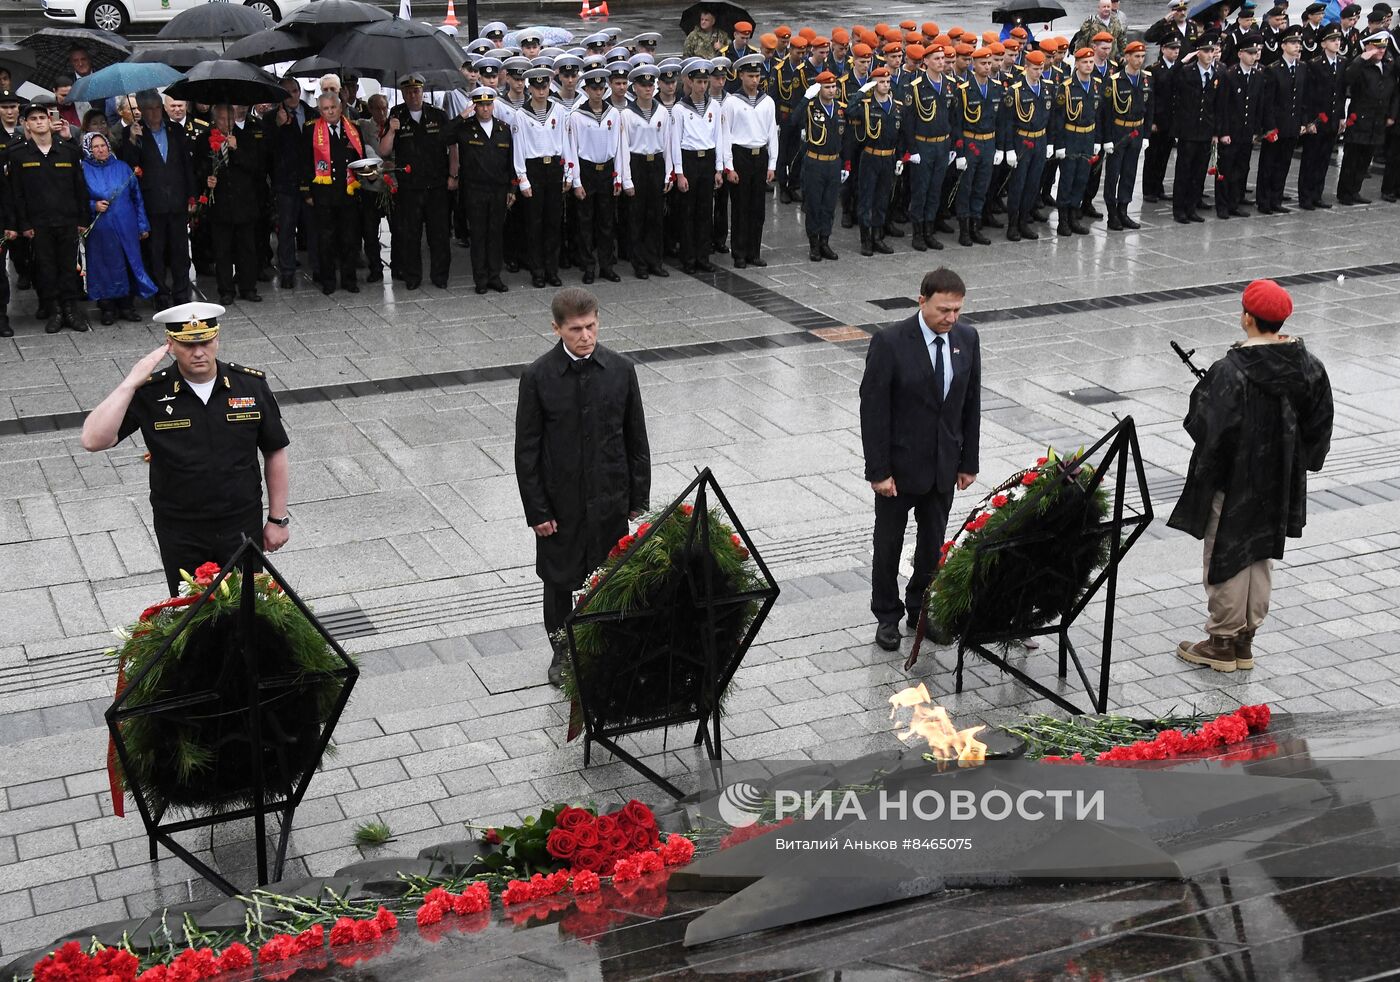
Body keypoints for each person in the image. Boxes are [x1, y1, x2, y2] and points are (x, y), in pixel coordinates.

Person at [1168, 280, 1332, 673]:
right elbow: (1319, 423)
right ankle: (1246, 640)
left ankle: (1222, 642)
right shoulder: (1308, 366)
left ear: (1246, 318)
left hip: (1237, 479)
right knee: (1261, 553)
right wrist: (1297, 461)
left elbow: (1207, 427)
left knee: (1226, 551)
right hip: (1281, 479)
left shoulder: (1230, 370)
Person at [79, 304, 292, 598]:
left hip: (240, 523)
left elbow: (275, 451)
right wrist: (130, 383)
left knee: (246, 611)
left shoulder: (249, 386)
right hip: (181, 529)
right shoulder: (151, 392)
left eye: (205, 341)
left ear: (217, 339)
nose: (199, 352)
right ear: (171, 344)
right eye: (187, 345)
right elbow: (93, 439)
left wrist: (277, 519)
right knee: (190, 613)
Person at [514, 288, 651, 687]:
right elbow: (527, 450)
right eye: (575, 330)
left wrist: (637, 496)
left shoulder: (621, 370)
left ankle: (606, 642)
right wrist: (537, 511)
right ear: (556, 328)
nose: (586, 336)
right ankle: (561, 649)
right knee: (559, 581)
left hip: (609, 498)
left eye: (591, 326)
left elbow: (635, 438)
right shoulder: (538, 377)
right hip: (561, 505)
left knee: (609, 575)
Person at [859, 267, 980, 652]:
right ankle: (887, 616)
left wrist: (968, 461)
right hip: (899, 468)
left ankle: (921, 609)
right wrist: (878, 471)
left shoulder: (967, 338)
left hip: (943, 466)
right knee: (888, 543)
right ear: (922, 301)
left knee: (933, 544)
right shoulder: (890, 342)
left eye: (958, 310)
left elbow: (970, 403)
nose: (952, 318)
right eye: (945, 310)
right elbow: (873, 409)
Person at [8, 99, 90, 334]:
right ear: (26, 125)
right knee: (46, 269)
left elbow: (79, 188)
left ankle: (71, 310)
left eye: (42, 117)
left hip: (67, 220)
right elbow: (17, 193)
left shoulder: (67, 150)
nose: (39, 122)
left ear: (49, 120)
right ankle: (54, 310)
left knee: (68, 267)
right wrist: (23, 223)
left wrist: (82, 219)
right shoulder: (19, 154)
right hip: (39, 223)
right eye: (33, 119)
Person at [377, 73, 452, 290]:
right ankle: (413, 276)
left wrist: (453, 175)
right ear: (402, 94)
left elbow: (452, 146)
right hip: (410, 186)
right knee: (410, 234)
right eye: (408, 92)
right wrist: (391, 129)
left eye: (416, 90)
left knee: (439, 234)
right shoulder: (396, 115)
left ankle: (440, 276)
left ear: (422, 91)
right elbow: (384, 150)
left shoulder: (438, 115)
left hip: (436, 184)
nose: (413, 95)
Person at [121, 90, 195, 307]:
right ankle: (160, 293)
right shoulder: (133, 133)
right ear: (141, 111)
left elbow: (186, 166)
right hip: (151, 203)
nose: (154, 113)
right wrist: (133, 140)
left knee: (180, 249)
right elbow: (129, 167)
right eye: (148, 109)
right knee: (156, 251)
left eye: (157, 108)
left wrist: (191, 196)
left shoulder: (175, 130)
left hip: (177, 200)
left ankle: (181, 291)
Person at [80, 132, 156, 325]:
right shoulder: (83, 170)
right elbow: (77, 198)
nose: (100, 149)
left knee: (128, 262)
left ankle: (127, 305)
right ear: (89, 149)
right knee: (103, 266)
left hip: (126, 225)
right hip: (100, 229)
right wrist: (92, 206)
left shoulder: (122, 167)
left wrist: (142, 225)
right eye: (95, 146)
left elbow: (137, 198)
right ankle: (107, 307)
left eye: (103, 145)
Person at [452, 87, 514, 294]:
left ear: (493, 105)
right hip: (475, 190)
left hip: (497, 190)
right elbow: (442, 138)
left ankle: (494, 277)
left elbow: (510, 162)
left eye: (488, 105)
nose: (485, 109)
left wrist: (511, 188)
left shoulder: (503, 129)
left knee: (496, 234)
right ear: (475, 107)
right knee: (478, 235)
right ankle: (480, 278)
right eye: (481, 105)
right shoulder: (465, 128)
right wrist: (461, 117)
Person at [512, 67, 569, 289]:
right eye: (536, 87)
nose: (541, 91)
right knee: (534, 223)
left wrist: (569, 172)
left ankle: (552, 270)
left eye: (544, 86)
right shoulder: (521, 114)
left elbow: (565, 143)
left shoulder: (558, 111)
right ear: (530, 88)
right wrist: (522, 178)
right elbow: (519, 148)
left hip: (554, 167)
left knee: (553, 222)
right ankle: (537, 271)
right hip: (533, 168)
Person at [721, 54, 779, 269]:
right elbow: (726, 135)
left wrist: (772, 164)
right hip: (740, 155)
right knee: (740, 207)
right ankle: (739, 252)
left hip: (759, 156)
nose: (755, 80)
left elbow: (772, 132)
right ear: (741, 76)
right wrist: (729, 166)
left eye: (757, 76)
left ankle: (754, 251)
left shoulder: (767, 102)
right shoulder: (732, 102)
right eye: (750, 76)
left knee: (758, 208)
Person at [566, 68, 623, 284]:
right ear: (587, 90)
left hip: (607, 170)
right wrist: (577, 181)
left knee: (607, 222)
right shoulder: (577, 116)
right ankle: (588, 266)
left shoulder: (614, 114)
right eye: (594, 88)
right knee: (585, 221)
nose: (598, 92)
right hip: (587, 170)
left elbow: (618, 147)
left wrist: (618, 178)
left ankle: (606, 265)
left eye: (601, 88)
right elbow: (573, 149)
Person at [304, 92, 364, 296]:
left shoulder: (352, 129)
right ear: (320, 111)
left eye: (333, 108)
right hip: (324, 193)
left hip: (347, 192)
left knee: (349, 238)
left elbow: (360, 157)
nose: (330, 112)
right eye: (326, 109)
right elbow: (303, 163)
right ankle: (328, 280)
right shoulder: (312, 130)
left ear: (340, 108)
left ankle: (349, 279)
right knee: (326, 239)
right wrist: (307, 192)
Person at [617, 65, 673, 280]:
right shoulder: (627, 114)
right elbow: (623, 147)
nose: (648, 89)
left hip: (656, 163)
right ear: (635, 88)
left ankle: (655, 261)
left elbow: (667, 143)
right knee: (637, 216)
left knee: (656, 216)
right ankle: (639, 263)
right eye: (643, 85)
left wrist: (669, 173)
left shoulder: (661, 111)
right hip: (637, 164)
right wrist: (627, 180)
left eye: (651, 85)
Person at [671, 60, 724, 273]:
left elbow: (718, 137)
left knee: (705, 212)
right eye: (698, 82)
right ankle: (689, 258)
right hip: (689, 159)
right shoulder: (679, 109)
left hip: (707, 159)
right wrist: (679, 173)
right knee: (687, 212)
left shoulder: (714, 106)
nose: (702, 86)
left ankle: (703, 256)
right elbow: (675, 141)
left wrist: (719, 169)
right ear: (690, 82)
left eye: (705, 81)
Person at [1335, 32, 1397, 205]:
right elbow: (1347, 78)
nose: (1381, 51)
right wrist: (1361, 59)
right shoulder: (1360, 65)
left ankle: (1355, 190)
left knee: (1365, 160)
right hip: (1360, 117)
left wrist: (1391, 114)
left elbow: (1393, 92)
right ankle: (1345, 192)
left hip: (1377, 119)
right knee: (1352, 158)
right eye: (1377, 47)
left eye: (1384, 48)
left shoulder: (1388, 65)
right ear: (1367, 47)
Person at [1255, 25, 1308, 213]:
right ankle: (1264, 200)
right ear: (1283, 46)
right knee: (1269, 163)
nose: (1297, 47)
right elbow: (1268, 102)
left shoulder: (1302, 68)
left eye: (1298, 43)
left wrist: (1302, 121)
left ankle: (1276, 199)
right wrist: (1269, 127)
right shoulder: (1274, 70)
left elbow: (1302, 98)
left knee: (1284, 164)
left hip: (1292, 125)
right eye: (1293, 43)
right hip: (1276, 126)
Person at [1101, 41, 1153, 230]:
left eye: (1142, 57)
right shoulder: (1114, 81)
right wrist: (1106, 139)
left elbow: (1150, 109)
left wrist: (1146, 134)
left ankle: (1124, 210)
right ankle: (1112, 213)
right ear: (1127, 57)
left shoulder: (1146, 79)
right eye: (1136, 56)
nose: (1140, 60)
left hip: (1136, 131)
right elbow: (1105, 114)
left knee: (1130, 173)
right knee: (1113, 174)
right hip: (1118, 131)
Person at [1171, 35, 1222, 223]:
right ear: (1198, 52)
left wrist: (1216, 131)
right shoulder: (1187, 71)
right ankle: (1179, 210)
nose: (1210, 55)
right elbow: (1170, 79)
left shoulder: (1216, 75)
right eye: (1206, 51)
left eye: (1212, 51)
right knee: (1184, 171)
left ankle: (1192, 207)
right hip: (1188, 130)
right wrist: (1182, 61)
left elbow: (1218, 105)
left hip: (1206, 130)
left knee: (1199, 172)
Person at [1215, 33, 1266, 219]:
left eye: (1256, 52)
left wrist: (1256, 131)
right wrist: (1223, 132)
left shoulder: (1258, 76)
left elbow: (1258, 106)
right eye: (1251, 53)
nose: (1254, 56)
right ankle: (1222, 205)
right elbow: (1222, 106)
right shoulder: (1229, 75)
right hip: (1231, 132)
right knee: (1225, 170)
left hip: (1247, 132)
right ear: (1240, 54)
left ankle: (1234, 203)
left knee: (1241, 169)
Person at [799, 70, 846, 260]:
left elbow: (847, 137)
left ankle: (825, 241)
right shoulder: (810, 107)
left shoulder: (841, 108)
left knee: (829, 205)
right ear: (819, 89)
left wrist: (846, 164)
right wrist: (804, 99)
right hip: (815, 162)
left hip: (834, 162)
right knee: (814, 205)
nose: (831, 90)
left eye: (834, 86)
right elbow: (793, 121)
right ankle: (813, 244)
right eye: (827, 87)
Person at [1297, 25, 1346, 209]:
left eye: (1338, 40)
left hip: (1332, 119)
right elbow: (1308, 96)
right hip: (1317, 119)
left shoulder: (1342, 62)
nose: (1337, 43)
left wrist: (1342, 117)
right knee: (1311, 159)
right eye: (1333, 40)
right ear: (1324, 43)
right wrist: (1309, 121)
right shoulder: (1315, 64)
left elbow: (1340, 93)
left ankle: (1317, 194)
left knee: (1324, 159)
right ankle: (1306, 196)